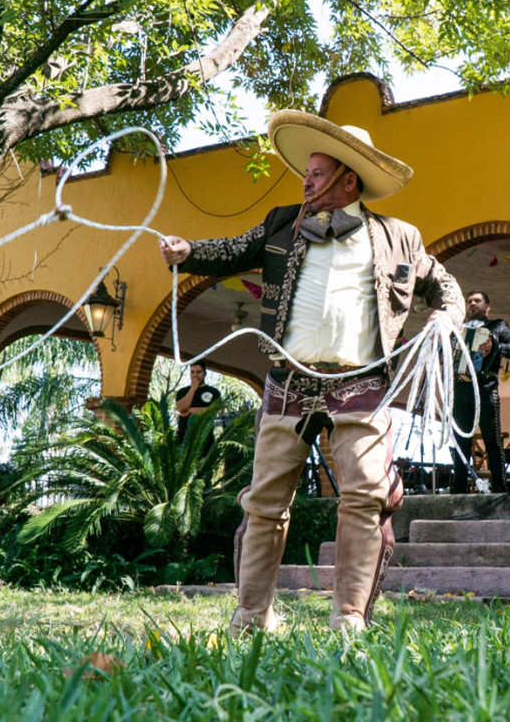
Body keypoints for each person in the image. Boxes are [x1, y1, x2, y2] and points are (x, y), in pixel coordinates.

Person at [159, 110, 463, 633]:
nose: (306, 180)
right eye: (308, 173)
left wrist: (444, 317)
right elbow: (233, 250)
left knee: (367, 496)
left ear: (349, 179)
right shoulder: (282, 223)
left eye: (317, 174)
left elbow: (448, 287)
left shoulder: (400, 237)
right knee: (264, 501)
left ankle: (348, 617)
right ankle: (252, 615)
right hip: (288, 383)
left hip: (362, 383)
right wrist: (187, 251)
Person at [450, 290, 510, 494]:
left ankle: (500, 487)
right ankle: (458, 488)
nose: (472, 304)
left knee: (492, 439)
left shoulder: (497, 326)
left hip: (486, 388)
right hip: (461, 388)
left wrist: (495, 345)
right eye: (469, 301)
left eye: (477, 301)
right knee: (461, 441)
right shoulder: (457, 328)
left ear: (487, 307)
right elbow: (445, 350)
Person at [175, 360, 222, 443]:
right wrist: (193, 389)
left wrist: (190, 410)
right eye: (192, 372)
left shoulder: (214, 392)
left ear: (205, 373)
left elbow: (215, 411)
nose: (195, 375)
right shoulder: (183, 392)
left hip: (205, 438)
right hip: (184, 439)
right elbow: (181, 408)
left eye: (198, 372)